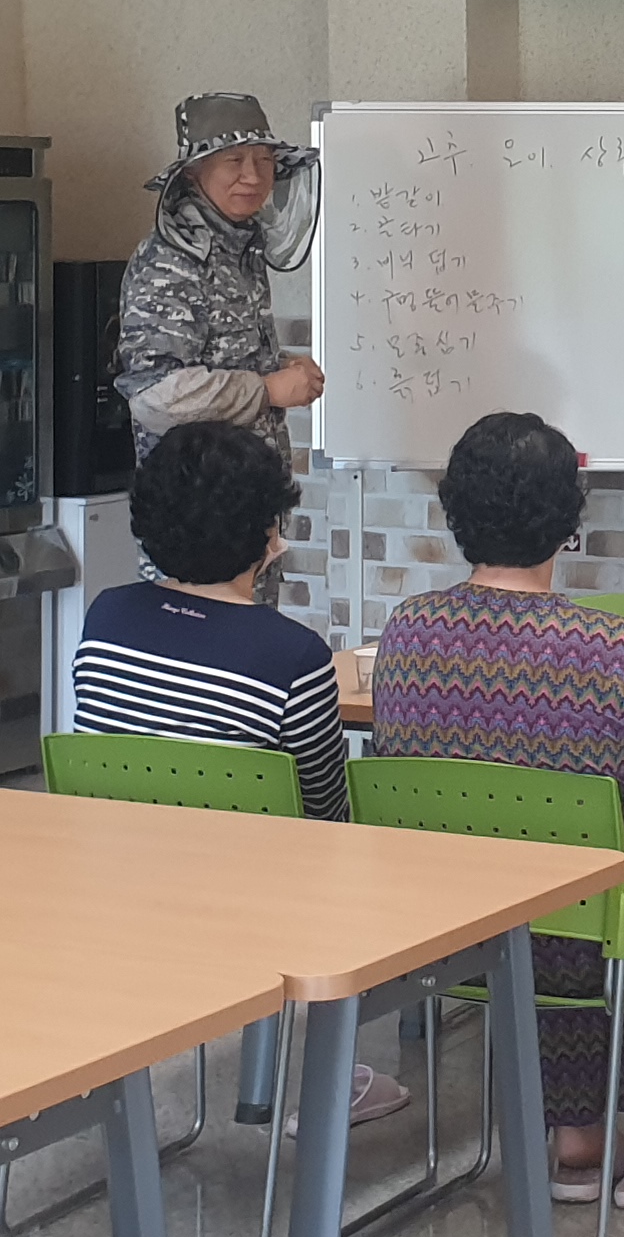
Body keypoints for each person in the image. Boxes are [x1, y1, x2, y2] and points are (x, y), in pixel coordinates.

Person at [367, 411, 624, 1210]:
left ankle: (575, 1141)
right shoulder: (615, 651)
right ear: (569, 520)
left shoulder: (405, 635)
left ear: (455, 512)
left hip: (456, 926)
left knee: (563, 898)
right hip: (587, 930)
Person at [72, 417, 405, 1126]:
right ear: (267, 534)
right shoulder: (292, 656)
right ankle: (324, 1080)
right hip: (253, 916)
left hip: (114, 895)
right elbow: (326, 816)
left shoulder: (105, 619)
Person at [117, 91, 324, 457]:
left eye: (264, 160)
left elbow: (217, 356)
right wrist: (268, 388)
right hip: (197, 499)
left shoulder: (238, 245)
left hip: (249, 493)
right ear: (194, 172)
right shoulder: (171, 258)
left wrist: (278, 365)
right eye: (234, 160)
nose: (253, 176)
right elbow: (155, 394)